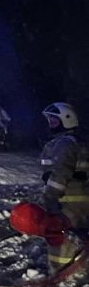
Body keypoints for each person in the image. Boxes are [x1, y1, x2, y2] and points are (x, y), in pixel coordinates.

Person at [37, 102, 89, 274]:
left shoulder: (64, 144)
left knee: (61, 238)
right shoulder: (75, 141)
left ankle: (62, 274)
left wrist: (50, 197)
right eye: (50, 120)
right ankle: (78, 269)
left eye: (54, 120)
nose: (50, 124)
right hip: (78, 200)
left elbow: (61, 174)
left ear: (66, 120)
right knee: (78, 237)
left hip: (68, 202)